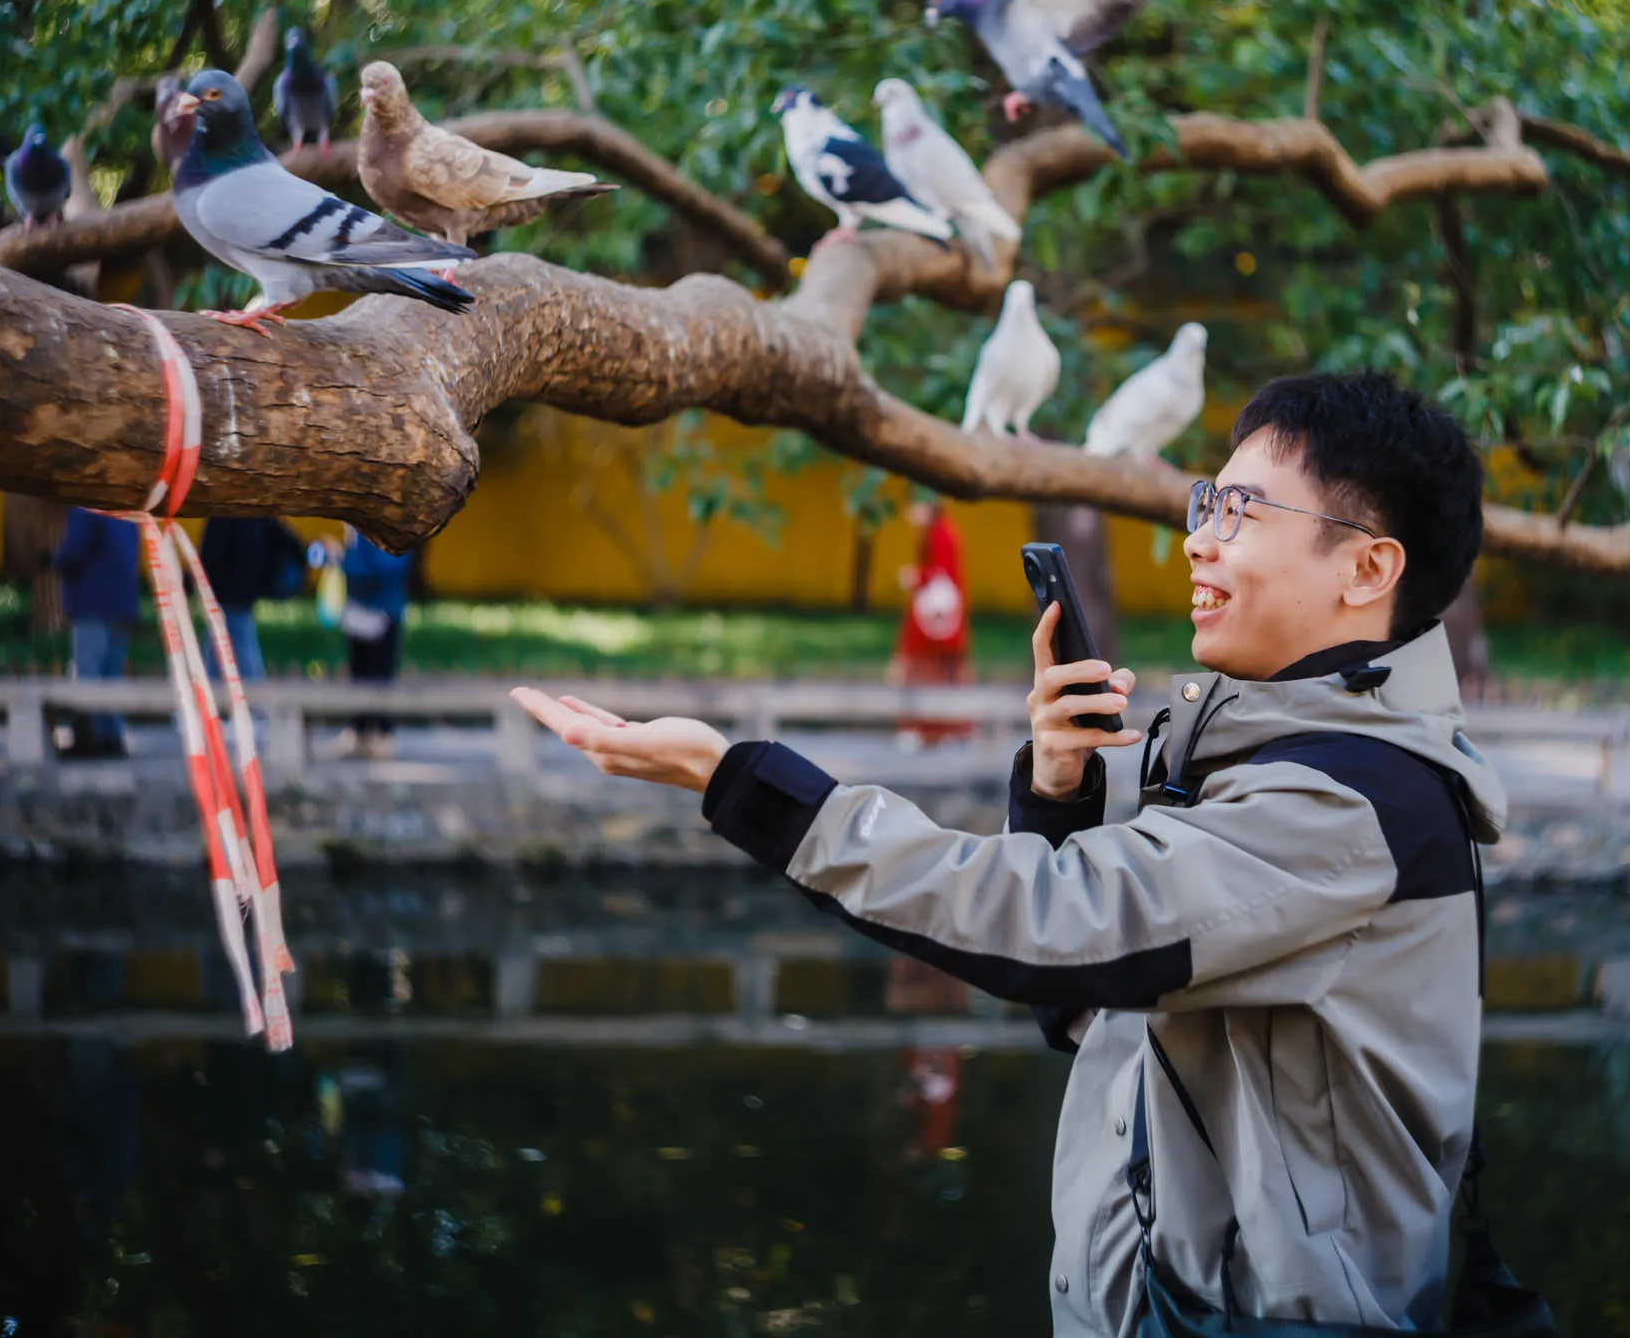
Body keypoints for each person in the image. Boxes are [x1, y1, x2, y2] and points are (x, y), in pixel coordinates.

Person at [512, 372, 1516, 1332]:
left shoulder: (1349, 802)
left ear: (1367, 568)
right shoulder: (1272, 761)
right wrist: (1058, 794)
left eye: (1242, 514)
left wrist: (738, 781)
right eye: (1206, 504)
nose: (1198, 540)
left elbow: (1059, 930)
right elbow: (1096, 1010)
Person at [51, 507, 140, 757]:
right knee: (112, 673)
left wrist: (54, 559)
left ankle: (87, 738)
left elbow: (74, 552)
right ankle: (111, 735)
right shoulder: (129, 513)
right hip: (123, 604)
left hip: (92, 603)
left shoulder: (86, 510)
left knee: (88, 671)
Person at [890, 498, 972, 746]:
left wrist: (916, 577)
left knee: (929, 672)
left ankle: (931, 730)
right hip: (936, 621)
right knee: (935, 672)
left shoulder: (941, 534)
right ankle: (937, 729)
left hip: (934, 624)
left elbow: (941, 575)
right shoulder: (937, 532)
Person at [338, 526, 414, 758]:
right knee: (359, 674)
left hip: (382, 610)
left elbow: (385, 568)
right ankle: (359, 731)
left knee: (380, 676)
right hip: (360, 610)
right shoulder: (356, 531)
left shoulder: (390, 528)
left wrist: (344, 560)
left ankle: (382, 733)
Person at [197, 516, 305, 680]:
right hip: (244, 594)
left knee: (235, 656)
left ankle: (239, 695)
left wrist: (196, 583)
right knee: (229, 649)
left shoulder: (223, 514)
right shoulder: (260, 514)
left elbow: (211, 554)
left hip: (226, 594)